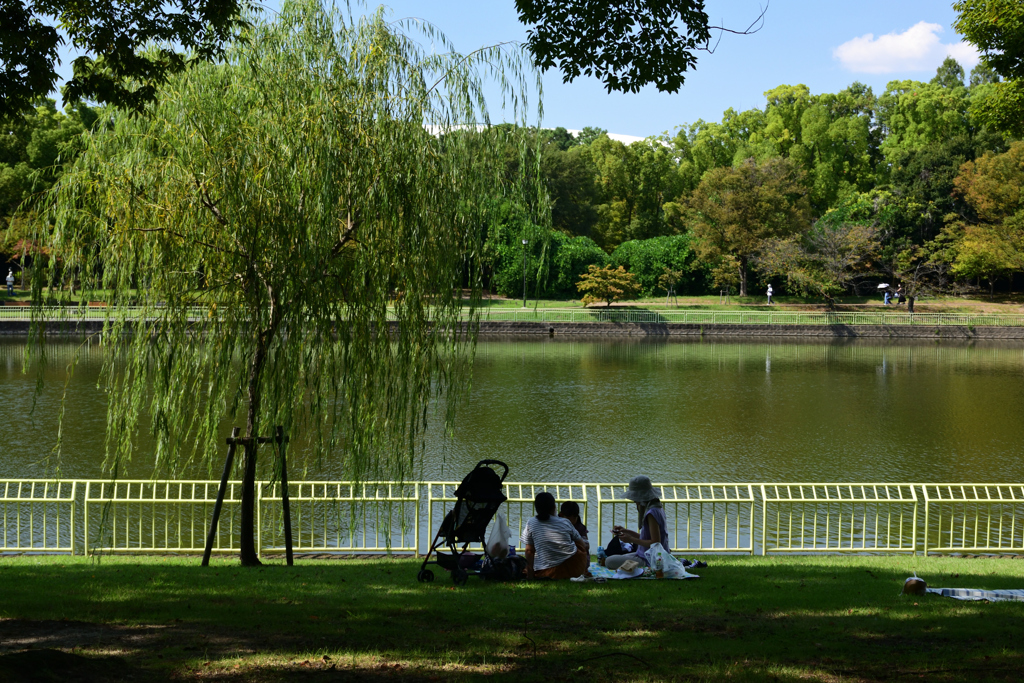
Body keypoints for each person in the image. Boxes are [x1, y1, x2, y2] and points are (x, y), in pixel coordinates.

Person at [605, 475, 670, 571]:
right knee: (612, 557)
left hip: (651, 559)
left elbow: (655, 543)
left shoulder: (652, 513)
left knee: (609, 561)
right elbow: (647, 538)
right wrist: (626, 531)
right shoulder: (657, 507)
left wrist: (631, 539)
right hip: (643, 553)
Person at [521, 491, 589, 580]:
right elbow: (583, 545)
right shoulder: (565, 522)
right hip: (573, 569)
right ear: (554, 507)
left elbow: (529, 551)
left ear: (537, 508)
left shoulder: (531, 523)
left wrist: (530, 575)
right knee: (579, 543)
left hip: (544, 571)